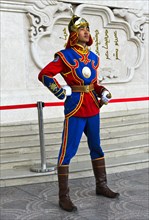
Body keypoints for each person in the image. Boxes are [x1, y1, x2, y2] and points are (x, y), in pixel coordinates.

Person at [38, 15, 119, 212]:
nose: (86, 32)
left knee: (96, 147)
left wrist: (103, 92)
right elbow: (45, 74)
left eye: (87, 29)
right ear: (74, 34)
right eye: (82, 29)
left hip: (92, 106)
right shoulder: (65, 55)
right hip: (75, 107)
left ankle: (101, 185)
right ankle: (63, 197)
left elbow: (94, 84)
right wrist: (59, 91)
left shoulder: (93, 57)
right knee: (68, 151)